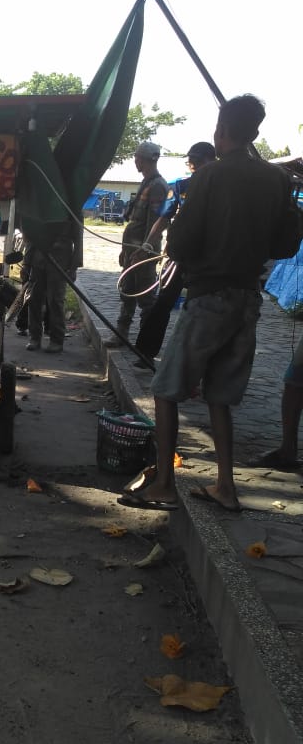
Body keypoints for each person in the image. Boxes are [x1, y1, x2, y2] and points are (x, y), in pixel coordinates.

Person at [122, 94, 302, 512]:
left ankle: (165, 483)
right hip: (248, 300)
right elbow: (288, 243)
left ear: (220, 131)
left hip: (208, 298)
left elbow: (181, 244)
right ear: (256, 132)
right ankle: (226, 486)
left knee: (166, 390)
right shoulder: (278, 181)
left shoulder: (206, 179)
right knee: (220, 395)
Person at [131, 142, 218, 367]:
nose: (195, 166)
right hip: (179, 254)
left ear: (212, 160)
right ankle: (145, 352)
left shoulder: (225, 187)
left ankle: (200, 362)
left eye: (199, 162)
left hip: (210, 258)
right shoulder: (181, 186)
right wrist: (147, 245)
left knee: (203, 309)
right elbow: (163, 218)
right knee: (163, 302)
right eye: (192, 162)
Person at [103, 142, 168, 347]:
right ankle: (121, 334)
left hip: (143, 253)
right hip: (132, 250)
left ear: (147, 159)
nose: (135, 161)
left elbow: (155, 224)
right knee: (127, 291)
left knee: (146, 298)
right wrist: (126, 250)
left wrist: (144, 251)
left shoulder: (157, 186)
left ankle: (145, 342)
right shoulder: (146, 183)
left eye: (138, 157)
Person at [23, 218, 82, 354]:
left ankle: (56, 340)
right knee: (34, 300)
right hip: (38, 260)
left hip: (60, 262)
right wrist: (26, 264)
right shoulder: (41, 207)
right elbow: (31, 238)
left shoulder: (72, 209)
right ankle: (35, 337)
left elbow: (78, 241)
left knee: (55, 301)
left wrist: (73, 267)